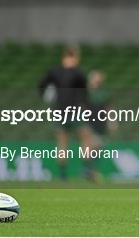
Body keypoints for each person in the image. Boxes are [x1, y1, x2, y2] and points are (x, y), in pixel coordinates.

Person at [38, 46, 98, 180]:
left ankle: (63, 174)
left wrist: (44, 96)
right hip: (74, 112)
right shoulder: (78, 73)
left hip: (59, 112)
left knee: (62, 142)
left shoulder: (54, 72)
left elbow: (41, 85)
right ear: (75, 57)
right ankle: (87, 169)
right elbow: (85, 93)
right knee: (86, 137)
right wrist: (87, 107)